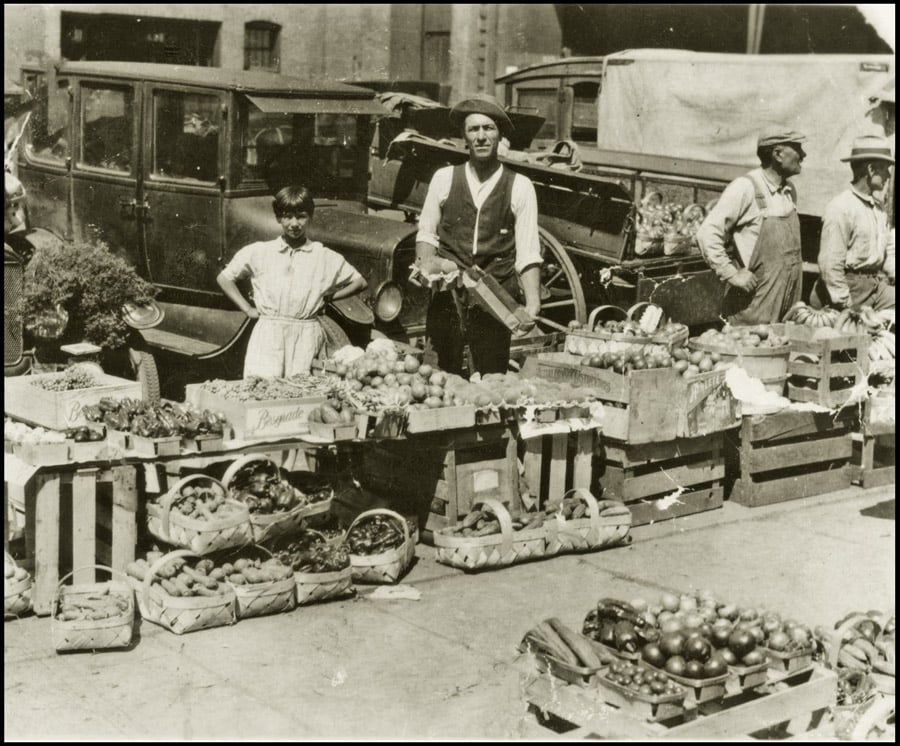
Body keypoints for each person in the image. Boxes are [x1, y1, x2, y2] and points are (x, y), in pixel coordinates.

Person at [414, 93, 542, 376]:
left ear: (500, 137)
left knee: (491, 379)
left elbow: (528, 252)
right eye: (474, 129)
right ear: (465, 137)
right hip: (448, 296)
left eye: (489, 128)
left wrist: (532, 301)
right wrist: (426, 268)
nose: (481, 136)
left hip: (495, 297)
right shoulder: (444, 179)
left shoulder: (520, 186)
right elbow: (427, 234)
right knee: (437, 378)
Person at [216, 185, 367, 378]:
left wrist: (330, 297)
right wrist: (247, 309)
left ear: (310, 217)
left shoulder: (324, 256)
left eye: (301, 216)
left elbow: (360, 282)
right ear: (278, 217)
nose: (294, 223)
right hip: (268, 335)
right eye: (287, 216)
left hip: (305, 335)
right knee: (263, 390)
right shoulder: (260, 252)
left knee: (299, 392)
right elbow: (224, 277)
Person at [696, 127, 806, 324]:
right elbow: (707, 233)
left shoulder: (789, 191)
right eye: (797, 148)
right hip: (755, 305)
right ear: (778, 154)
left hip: (786, 302)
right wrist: (732, 274)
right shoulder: (745, 187)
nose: (803, 155)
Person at [810, 135, 895, 311]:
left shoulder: (878, 209)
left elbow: (888, 253)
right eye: (885, 169)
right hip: (846, 289)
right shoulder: (841, 207)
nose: (888, 175)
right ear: (871, 170)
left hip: (874, 286)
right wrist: (846, 305)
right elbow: (830, 266)